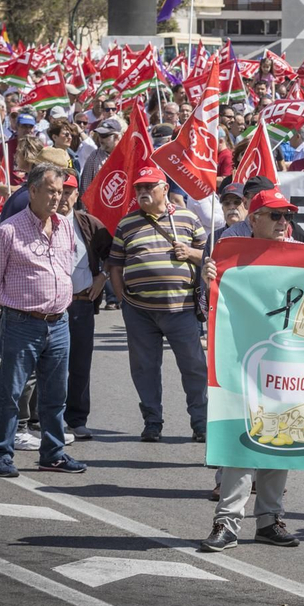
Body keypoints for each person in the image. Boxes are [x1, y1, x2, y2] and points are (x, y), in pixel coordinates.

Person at [202, 186, 301, 553]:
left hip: (289, 365)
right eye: (275, 215)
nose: (283, 222)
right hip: (242, 364)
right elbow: (207, 308)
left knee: (281, 441)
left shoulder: (302, 253)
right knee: (241, 444)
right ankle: (227, 522)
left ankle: (269, 520)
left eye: (286, 215)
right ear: (253, 219)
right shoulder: (231, 255)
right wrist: (208, 279)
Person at [0, 161, 83, 478]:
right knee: (11, 393)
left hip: (59, 322)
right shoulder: (8, 231)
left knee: (55, 395)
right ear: (33, 190)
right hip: (22, 323)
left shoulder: (65, 226)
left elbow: (65, 267)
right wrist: (17, 304)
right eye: (51, 191)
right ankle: (2, 454)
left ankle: (52, 453)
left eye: (62, 191)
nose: (57, 198)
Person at [107, 165, 210, 443]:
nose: (142, 192)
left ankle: (201, 424)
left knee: (194, 367)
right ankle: (152, 422)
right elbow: (115, 264)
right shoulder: (126, 224)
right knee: (145, 369)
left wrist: (189, 252)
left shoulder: (188, 219)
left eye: (148, 187)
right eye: (138, 188)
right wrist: (121, 297)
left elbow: (210, 258)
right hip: (140, 311)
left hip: (181, 310)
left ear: (164, 189)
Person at [58, 172, 111, 441]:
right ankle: (37, 418)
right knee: (47, 364)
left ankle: (76, 419)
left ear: (77, 195)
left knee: (79, 364)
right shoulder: (38, 222)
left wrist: (102, 277)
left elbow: (113, 253)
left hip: (80, 305)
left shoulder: (88, 224)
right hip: (48, 307)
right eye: (60, 191)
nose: (63, 197)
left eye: (69, 192)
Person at [79, 117, 124, 192]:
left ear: (116, 137)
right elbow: (85, 189)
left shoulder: (127, 156)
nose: (100, 139)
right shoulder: (94, 156)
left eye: (104, 135)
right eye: (99, 134)